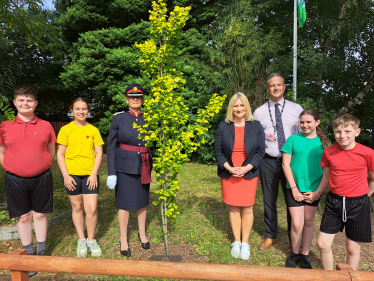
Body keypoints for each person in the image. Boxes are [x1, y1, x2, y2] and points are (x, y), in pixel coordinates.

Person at [0, 85, 56, 277]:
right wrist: (12, 167)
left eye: (29, 100)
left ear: (36, 103)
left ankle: (41, 250)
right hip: (15, 179)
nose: (25, 103)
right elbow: (2, 151)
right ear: (15, 102)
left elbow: (51, 150)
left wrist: (42, 165)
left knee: (40, 215)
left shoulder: (46, 125)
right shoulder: (4, 126)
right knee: (23, 217)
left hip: (42, 178)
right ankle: (28, 252)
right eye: (21, 100)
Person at [317, 114, 374, 271]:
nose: (342, 136)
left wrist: (364, 197)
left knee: (352, 248)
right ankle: (329, 276)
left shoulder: (368, 153)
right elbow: (326, 177)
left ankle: (349, 277)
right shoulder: (328, 152)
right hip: (333, 202)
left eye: (347, 131)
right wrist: (318, 192)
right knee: (322, 244)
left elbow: (373, 180)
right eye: (338, 132)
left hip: (358, 204)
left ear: (357, 132)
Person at [253, 72, 303, 251]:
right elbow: (256, 139)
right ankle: (270, 235)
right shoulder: (258, 112)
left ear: (284, 87)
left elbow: (303, 135)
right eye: (272, 85)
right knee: (269, 200)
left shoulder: (296, 109)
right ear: (267, 88)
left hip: (292, 163)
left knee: (293, 200)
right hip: (268, 161)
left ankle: (293, 236)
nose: (276, 88)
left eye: (279, 85)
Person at [214, 92, 265, 260]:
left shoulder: (255, 126)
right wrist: (229, 168)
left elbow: (260, 151)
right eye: (235, 106)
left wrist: (246, 168)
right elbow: (218, 151)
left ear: (246, 107)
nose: (239, 108)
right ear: (231, 108)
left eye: (242, 105)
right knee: (233, 207)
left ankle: (245, 243)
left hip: (248, 171)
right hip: (229, 171)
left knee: (248, 207)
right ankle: (236, 241)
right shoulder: (223, 126)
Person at [106, 83, 152, 257]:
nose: (135, 99)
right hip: (124, 166)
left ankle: (142, 234)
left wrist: (160, 165)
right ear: (126, 100)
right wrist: (112, 172)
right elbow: (111, 147)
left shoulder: (149, 118)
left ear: (142, 100)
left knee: (142, 203)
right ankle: (123, 239)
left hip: (144, 165)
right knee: (124, 205)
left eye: (138, 97)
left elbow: (153, 144)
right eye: (132, 97)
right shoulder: (118, 118)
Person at [281, 108, 329, 269]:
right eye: (302, 122)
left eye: (308, 122)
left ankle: (305, 255)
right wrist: (294, 188)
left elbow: (327, 173)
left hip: (314, 189)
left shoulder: (324, 144)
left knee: (308, 222)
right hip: (293, 187)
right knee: (297, 224)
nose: (305, 125)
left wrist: (317, 193)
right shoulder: (293, 139)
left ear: (317, 122)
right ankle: (295, 254)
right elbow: (285, 164)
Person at [56, 97, 104, 258]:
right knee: (77, 207)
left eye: (84, 109)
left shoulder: (93, 130)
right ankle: (81, 239)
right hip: (72, 175)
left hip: (90, 175)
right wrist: (65, 176)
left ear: (88, 110)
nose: (81, 111)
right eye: (77, 109)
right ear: (72, 110)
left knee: (91, 209)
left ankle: (91, 239)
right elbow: (60, 154)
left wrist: (93, 174)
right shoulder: (65, 130)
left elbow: (99, 153)